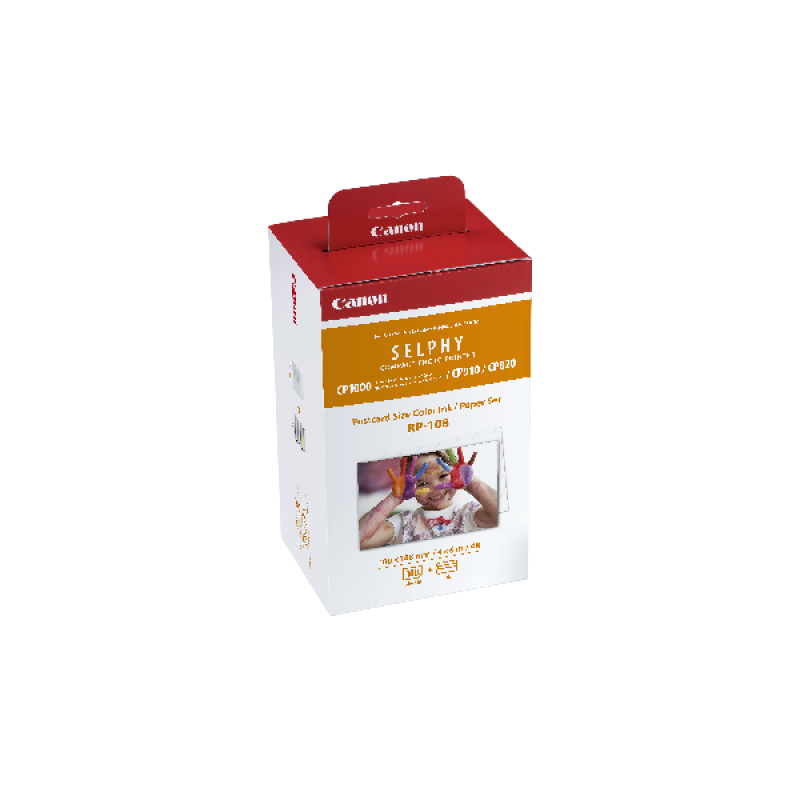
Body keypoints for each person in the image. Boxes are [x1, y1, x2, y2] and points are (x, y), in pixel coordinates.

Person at [359, 448, 498, 549]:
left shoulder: (468, 514)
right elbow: (359, 540)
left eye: (443, 476)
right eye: (423, 483)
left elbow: (502, 516)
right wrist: (395, 497)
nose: (435, 488)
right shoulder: (404, 523)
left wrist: (471, 483)